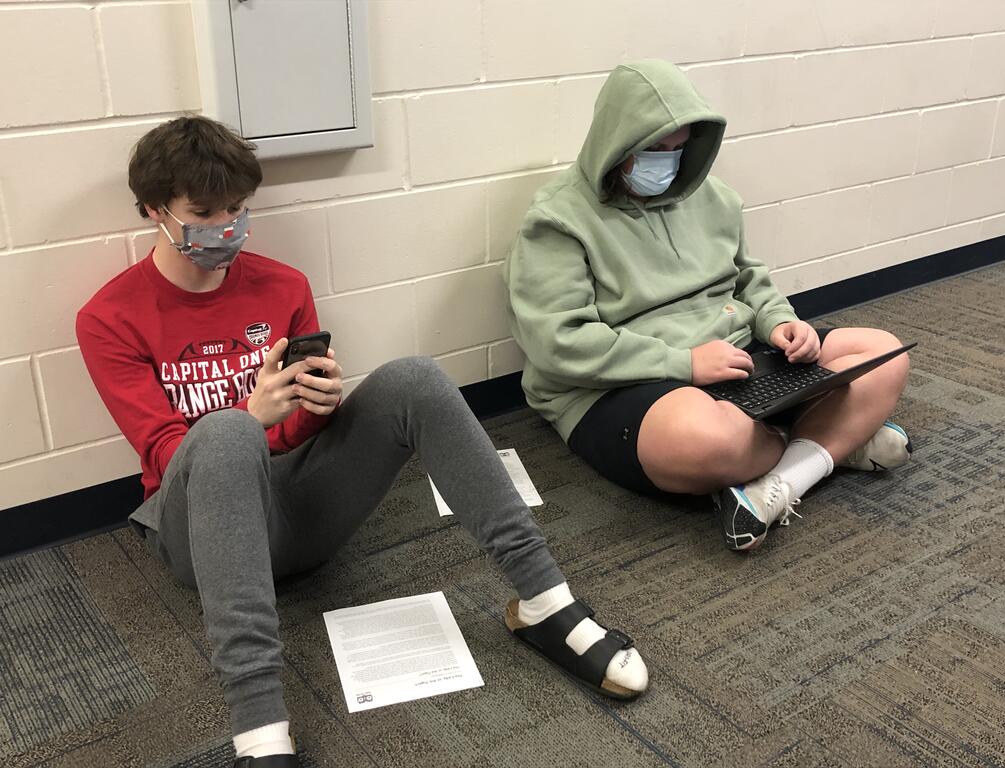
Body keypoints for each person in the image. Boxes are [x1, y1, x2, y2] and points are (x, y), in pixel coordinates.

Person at [76, 116, 648, 768]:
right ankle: (260, 728)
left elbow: (302, 433)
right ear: (155, 210)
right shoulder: (109, 318)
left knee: (414, 378)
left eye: (236, 208)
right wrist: (252, 415)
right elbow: (165, 454)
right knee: (227, 433)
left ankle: (547, 603)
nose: (226, 226)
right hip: (200, 538)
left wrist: (315, 409)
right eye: (204, 214)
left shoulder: (282, 286)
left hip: (299, 509)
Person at [503, 60, 912, 553]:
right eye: (654, 151)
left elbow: (749, 280)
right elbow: (559, 343)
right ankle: (829, 441)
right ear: (615, 143)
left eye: (678, 150)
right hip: (624, 380)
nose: (668, 164)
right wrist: (685, 364)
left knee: (884, 354)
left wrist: (779, 321)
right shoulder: (556, 220)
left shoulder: (712, 196)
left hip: (735, 355)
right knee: (709, 440)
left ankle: (775, 483)